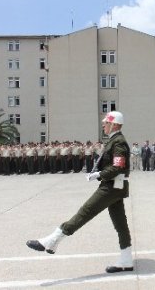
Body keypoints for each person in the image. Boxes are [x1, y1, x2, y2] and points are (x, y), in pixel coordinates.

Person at [26, 111, 133, 273]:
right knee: (120, 224)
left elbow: (118, 165)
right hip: (114, 186)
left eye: (106, 123)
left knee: (85, 212)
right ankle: (126, 259)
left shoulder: (118, 142)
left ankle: (52, 240)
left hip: (111, 186)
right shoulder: (114, 140)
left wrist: (99, 175)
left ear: (115, 125)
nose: (104, 125)